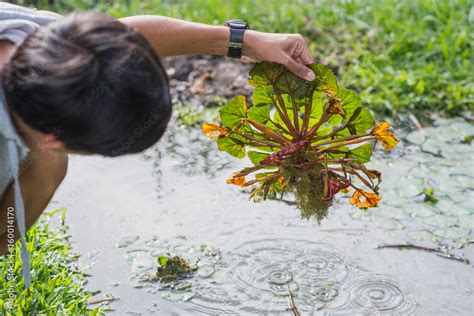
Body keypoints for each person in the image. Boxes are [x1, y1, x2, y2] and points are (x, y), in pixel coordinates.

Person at [0, 3, 315, 286]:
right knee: (47, 163)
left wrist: (247, 41)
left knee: (47, 165)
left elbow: (128, 40)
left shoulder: (51, 44)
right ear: (51, 139)